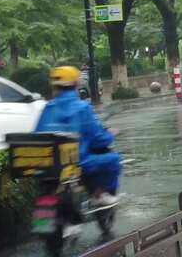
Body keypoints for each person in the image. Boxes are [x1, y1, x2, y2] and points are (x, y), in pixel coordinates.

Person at [35, 66, 120, 207]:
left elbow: (37, 135)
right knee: (113, 159)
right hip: (77, 163)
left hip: (48, 165)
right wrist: (109, 136)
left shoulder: (47, 108)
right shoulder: (82, 107)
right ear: (75, 85)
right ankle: (100, 194)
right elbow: (97, 139)